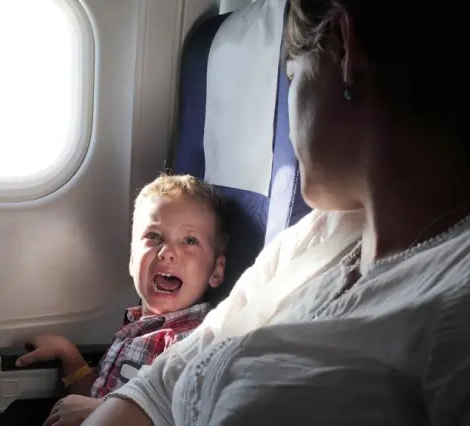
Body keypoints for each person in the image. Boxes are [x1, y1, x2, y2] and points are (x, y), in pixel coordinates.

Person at [82, 0, 470, 425]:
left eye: (292, 76)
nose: (287, 122)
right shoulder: (315, 235)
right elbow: (161, 385)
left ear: (345, 49)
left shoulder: (455, 299)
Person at [16, 174, 228, 425]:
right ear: (131, 260)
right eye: (155, 236)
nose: (167, 252)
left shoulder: (194, 343)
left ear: (216, 270)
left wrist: (99, 410)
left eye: (190, 240)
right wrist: (69, 356)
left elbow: (182, 417)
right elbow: (96, 396)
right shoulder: (138, 329)